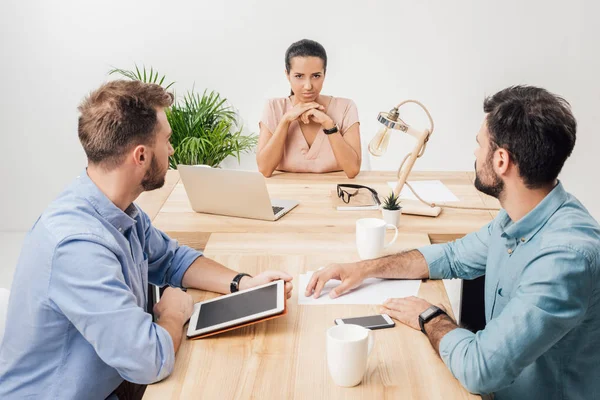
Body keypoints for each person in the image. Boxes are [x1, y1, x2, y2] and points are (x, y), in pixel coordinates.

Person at [0, 80, 293, 399]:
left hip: (112, 382)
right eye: (166, 140)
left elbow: (172, 259)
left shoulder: (118, 210)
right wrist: (173, 313)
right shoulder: (77, 246)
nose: (171, 149)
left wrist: (242, 283)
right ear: (140, 156)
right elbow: (148, 361)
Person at [305, 85, 600, 399]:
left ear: (501, 160)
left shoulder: (564, 259)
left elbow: (481, 369)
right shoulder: (517, 215)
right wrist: (363, 269)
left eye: (479, 144)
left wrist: (431, 317)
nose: (474, 153)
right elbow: (453, 256)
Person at [257, 39, 361, 178]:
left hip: (336, 193)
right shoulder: (274, 107)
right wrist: (286, 121)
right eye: (299, 76)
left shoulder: (346, 107)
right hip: (282, 194)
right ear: (287, 74)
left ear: (325, 74)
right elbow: (265, 169)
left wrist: (329, 125)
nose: (308, 86)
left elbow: (352, 170)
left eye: (316, 76)